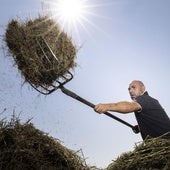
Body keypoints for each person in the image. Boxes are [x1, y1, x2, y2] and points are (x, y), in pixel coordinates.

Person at [94, 80, 170, 140]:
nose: (130, 91)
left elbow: (129, 106)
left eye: (134, 87)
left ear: (143, 88)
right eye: (129, 89)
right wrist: (140, 127)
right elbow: (156, 121)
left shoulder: (144, 99)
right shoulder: (150, 101)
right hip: (161, 144)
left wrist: (107, 106)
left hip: (165, 143)